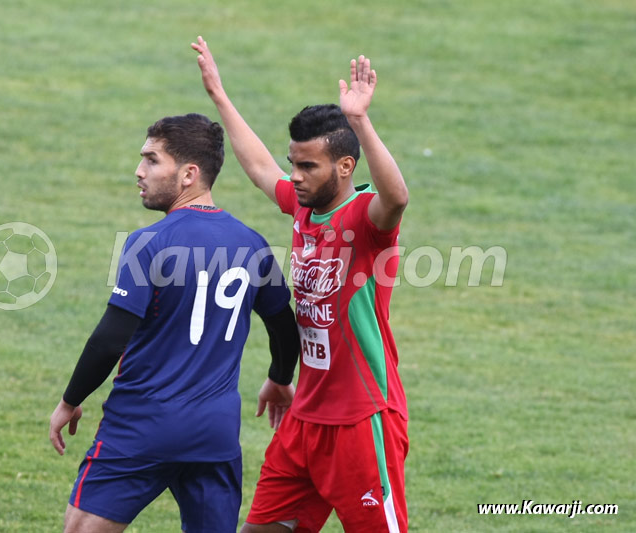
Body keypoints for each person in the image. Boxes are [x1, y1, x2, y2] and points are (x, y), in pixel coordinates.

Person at [193, 36, 410, 532]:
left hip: (361, 419)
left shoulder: (365, 219)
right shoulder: (303, 209)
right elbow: (258, 168)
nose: (296, 175)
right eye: (295, 163)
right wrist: (220, 97)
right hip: (305, 418)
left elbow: (396, 197)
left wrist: (360, 122)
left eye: (307, 166)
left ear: (345, 167)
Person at [49, 113, 300, 533]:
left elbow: (110, 339)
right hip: (214, 435)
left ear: (188, 174)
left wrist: (70, 400)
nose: (139, 171)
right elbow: (283, 326)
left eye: (151, 160)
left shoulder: (150, 243)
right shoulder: (252, 244)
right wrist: (279, 377)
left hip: (142, 426)